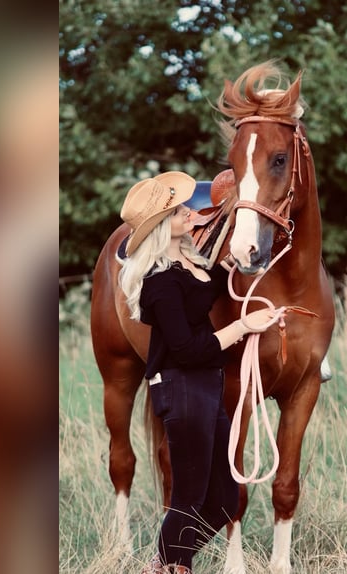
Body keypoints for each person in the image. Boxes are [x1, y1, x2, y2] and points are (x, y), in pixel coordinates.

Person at [119, 171, 283, 574]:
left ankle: (166, 563)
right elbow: (188, 351)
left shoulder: (188, 267)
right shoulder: (160, 284)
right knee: (189, 498)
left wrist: (236, 266)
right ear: (162, 226)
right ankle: (172, 566)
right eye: (178, 211)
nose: (188, 213)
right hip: (183, 388)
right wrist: (243, 327)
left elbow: (205, 293)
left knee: (225, 498)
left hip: (206, 388)